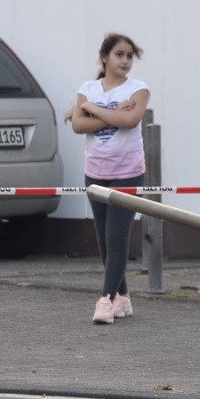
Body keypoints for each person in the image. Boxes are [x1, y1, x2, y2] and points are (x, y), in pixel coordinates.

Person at [69, 33, 150, 325]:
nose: (125, 61)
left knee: (117, 238)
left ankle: (105, 299)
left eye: (130, 56)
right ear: (105, 57)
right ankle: (122, 298)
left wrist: (96, 110)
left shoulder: (138, 89)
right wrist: (113, 111)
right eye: (119, 55)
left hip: (127, 172)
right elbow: (78, 125)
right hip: (96, 173)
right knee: (105, 240)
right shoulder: (88, 88)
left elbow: (131, 121)